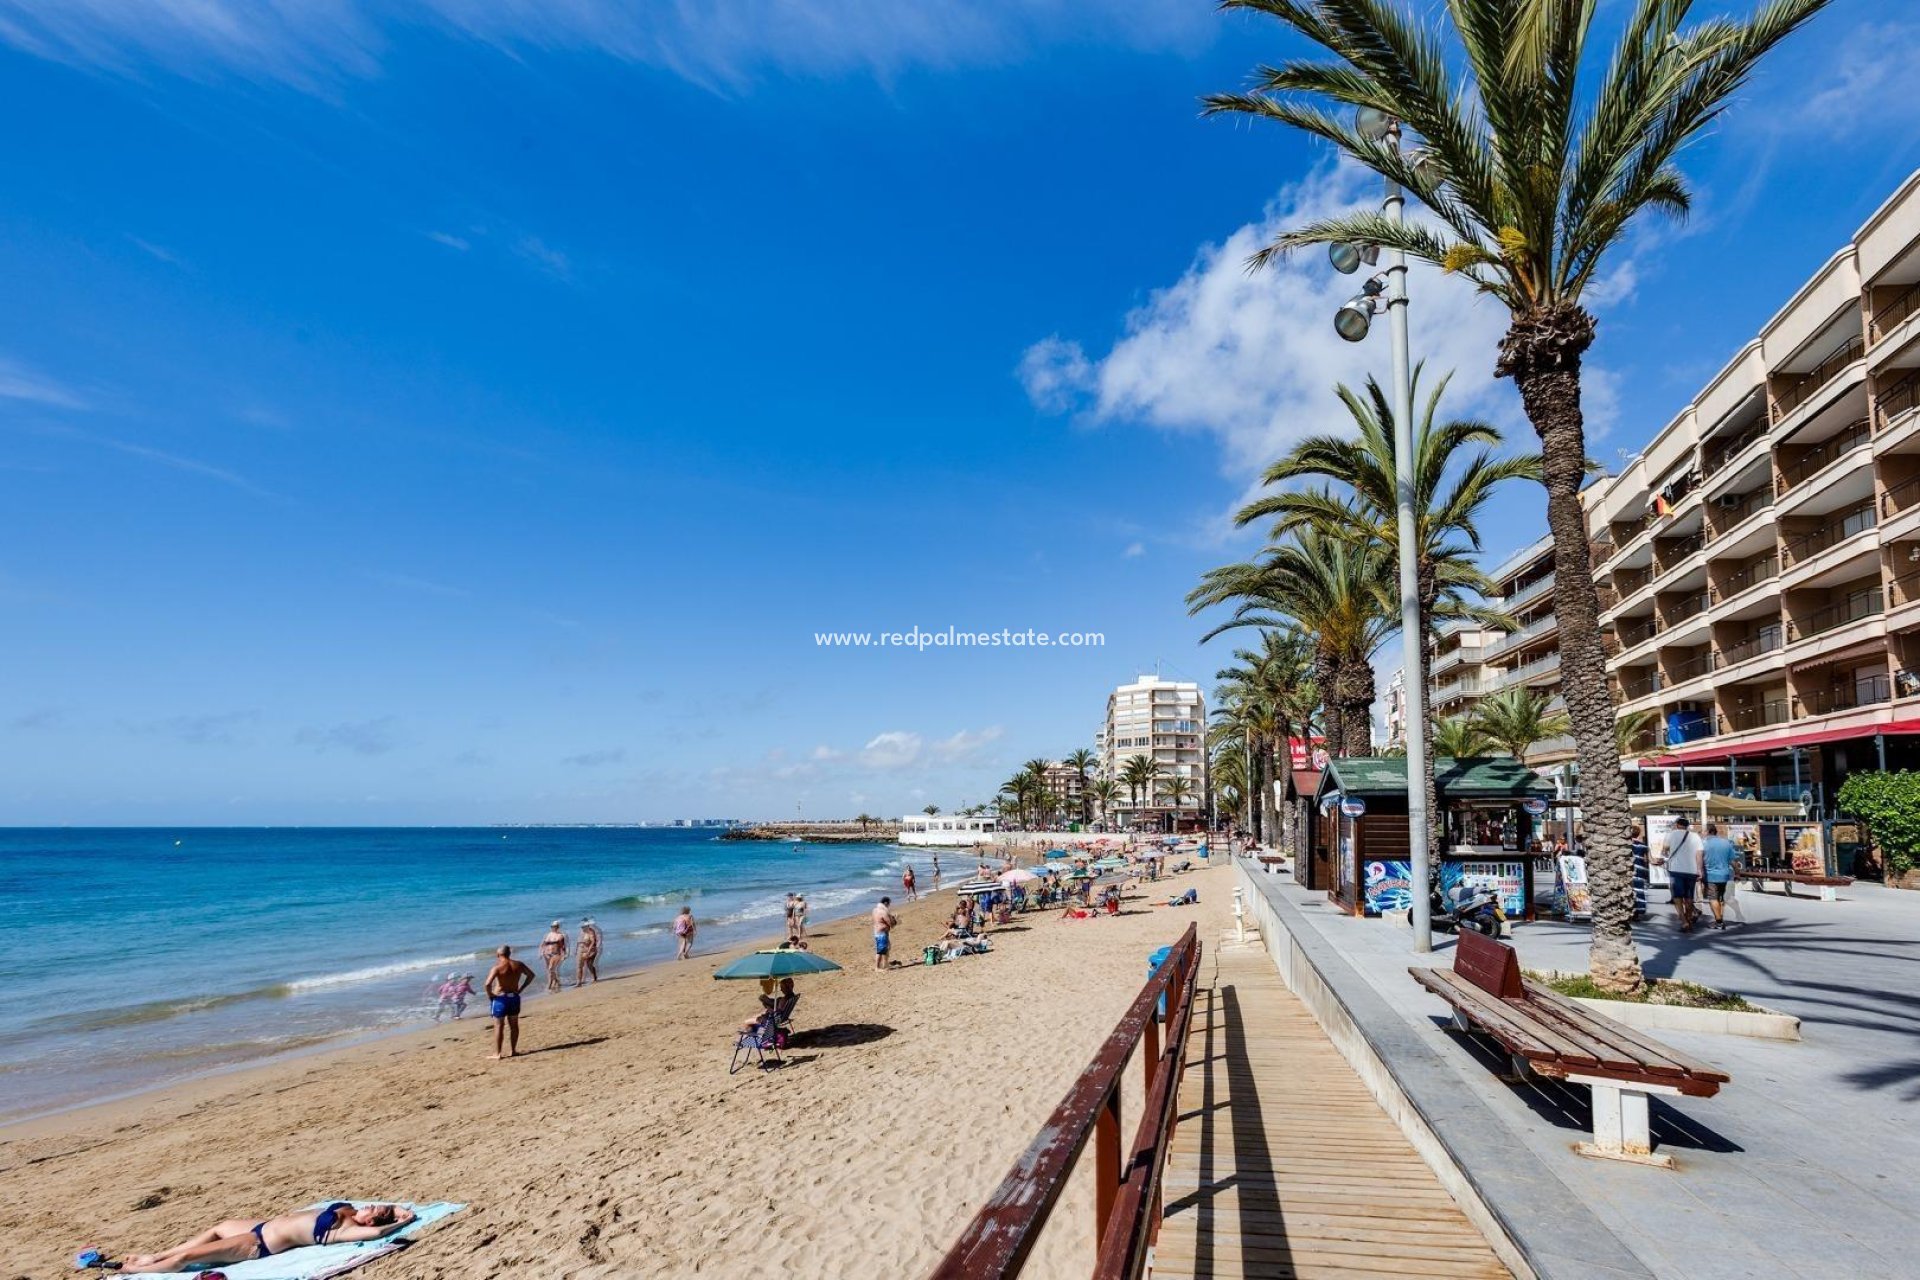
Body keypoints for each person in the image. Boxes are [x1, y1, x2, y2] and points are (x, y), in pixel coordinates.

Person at [120, 1203, 414, 1272]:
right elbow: (391, 1207)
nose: (369, 1205)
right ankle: (156, 1256)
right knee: (219, 1227)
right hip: (261, 1226)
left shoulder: (348, 1229)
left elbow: (377, 1232)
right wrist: (399, 1210)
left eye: (373, 1209)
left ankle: (136, 1270)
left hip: (258, 1244)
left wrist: (404, 1221)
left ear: (372, 1219)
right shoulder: (347, 1210)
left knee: (185, 1259)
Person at [485, 944, 537, 1060]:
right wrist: (521, 989)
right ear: (509, 954)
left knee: (499, 1026)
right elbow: (531, 975)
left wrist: (491, 995)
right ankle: (513, 1050)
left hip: (500, 999)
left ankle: (497, 1053)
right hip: (514, 997)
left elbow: (487, 984)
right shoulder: (518, 964)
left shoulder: (497, 967)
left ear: (498, 955)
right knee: (514, 1025)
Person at [1655, 817, 1704, 933]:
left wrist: (1665, 853)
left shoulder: (1671, 835)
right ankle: (1688, 920)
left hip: (1676, 870)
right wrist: (1700, 870)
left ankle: (1684, 921)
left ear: (1677, 825)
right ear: (1687, 826)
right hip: (1692, 870)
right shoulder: (1695, 836)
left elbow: (1665, 850)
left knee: (1677, 897)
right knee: (1689, 897)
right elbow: (1699, 854)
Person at [1700, 823, 1740, 930]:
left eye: (1703, 831)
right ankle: (1720, 917)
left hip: (1710, 875)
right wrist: (1737, 873)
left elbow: (1699, 860)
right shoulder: (1726, 843)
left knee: (1713, 898)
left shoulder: (1703, 844)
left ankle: (1719, 922)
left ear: (1708, 832)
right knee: (1720, 898)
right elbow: (1732, 861)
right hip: (1724, 875)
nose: (1702, 833)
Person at [539, 920, 569, 993]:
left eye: (555, 927)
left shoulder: (561, 935)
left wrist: (566, 954)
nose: (553, 928)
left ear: (558, 927)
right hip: (547, 954)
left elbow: (565, 946)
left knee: (550, 969)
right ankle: (556, 981)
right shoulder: (548, 934)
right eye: (552, 927)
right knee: (549, 970)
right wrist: (540, 952)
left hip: (556, 954)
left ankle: (549, 985)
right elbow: (542, 944)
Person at [872, 896, 898, 970]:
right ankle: (877, 967)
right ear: (886, 903)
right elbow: (891, 924)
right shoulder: (883, 912)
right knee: (881, 951)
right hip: (882, 933)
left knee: (885, 949)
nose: (889, 905)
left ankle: (885, 965)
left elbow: (879, 920)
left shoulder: (875, 910)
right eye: (889, 904)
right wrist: (895, 919)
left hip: (877, 932)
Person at [576, 917, 602, 985]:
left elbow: (593, 942)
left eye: (583, 926)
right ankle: (579, 981)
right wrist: (576, 950)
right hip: (581, 950)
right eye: (582, 926)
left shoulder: (591, 931)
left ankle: (594, 977)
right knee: (579, 966)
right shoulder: (581, 932)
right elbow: (578, 942)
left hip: (590, 950)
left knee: (589, 964)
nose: (582, 928)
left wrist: (588, 951)